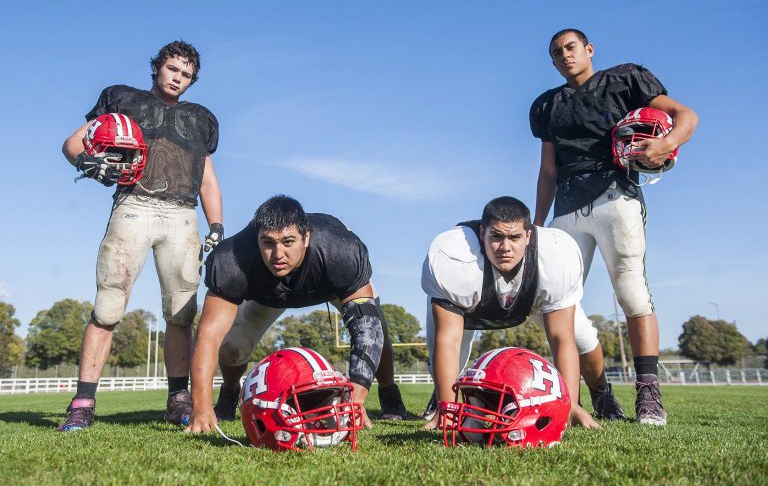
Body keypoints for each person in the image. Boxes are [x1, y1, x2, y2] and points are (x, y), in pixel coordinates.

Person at [530, 28, 699, 425]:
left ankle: (648, 395)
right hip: (567, 207)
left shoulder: (624, 79)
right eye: (556, 53)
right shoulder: (547, 105)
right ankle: (601, 393)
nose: (564, 56)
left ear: (588, 49)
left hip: (614, 195)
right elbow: (547, 171)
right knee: (551, 303)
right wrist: (537, 225)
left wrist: (663, 144)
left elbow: (687, 116)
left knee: (632, 293)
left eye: (571, 48)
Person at [59, 40, 224, 431]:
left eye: (186, 74)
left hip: (182, 215)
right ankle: (83, 402)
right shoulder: (123, 98)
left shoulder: (201, 118)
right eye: (172, 69)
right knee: (108, 307)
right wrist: (87, 161)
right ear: (157, 68)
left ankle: (177, 399)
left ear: (192, 80)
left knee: (181, 314)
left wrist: (216, 225)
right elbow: (72, 143)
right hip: (133, 205)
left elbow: (208, 179)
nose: (177, 78)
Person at [186, 195, 406, 434]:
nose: (278, 253)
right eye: (268, 243)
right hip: (266, 292)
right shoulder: (232, 259)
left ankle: (389, 393)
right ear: (256, 237)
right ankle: (229, 393)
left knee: (376, 325)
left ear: (306, 237)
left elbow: (367, 327)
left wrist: (357, 394)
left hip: (327, 280)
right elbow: (209, 334)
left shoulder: (340, 249)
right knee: (231, 346)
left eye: (288, 241)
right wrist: (200, 404)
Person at [423, 196, 623, 431]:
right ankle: (443, 396)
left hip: (533, 299)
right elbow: (448, 339)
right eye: (496, 236)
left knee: (584, 339)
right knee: (444, 352)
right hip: (472, 300)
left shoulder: (555, 256)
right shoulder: (455, 260)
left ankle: (601, 393)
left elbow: (561, 338)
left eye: (514, 237)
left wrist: (567, 404)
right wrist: (447, 407)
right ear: (481, 233)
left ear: (528, 236)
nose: (505, 247)